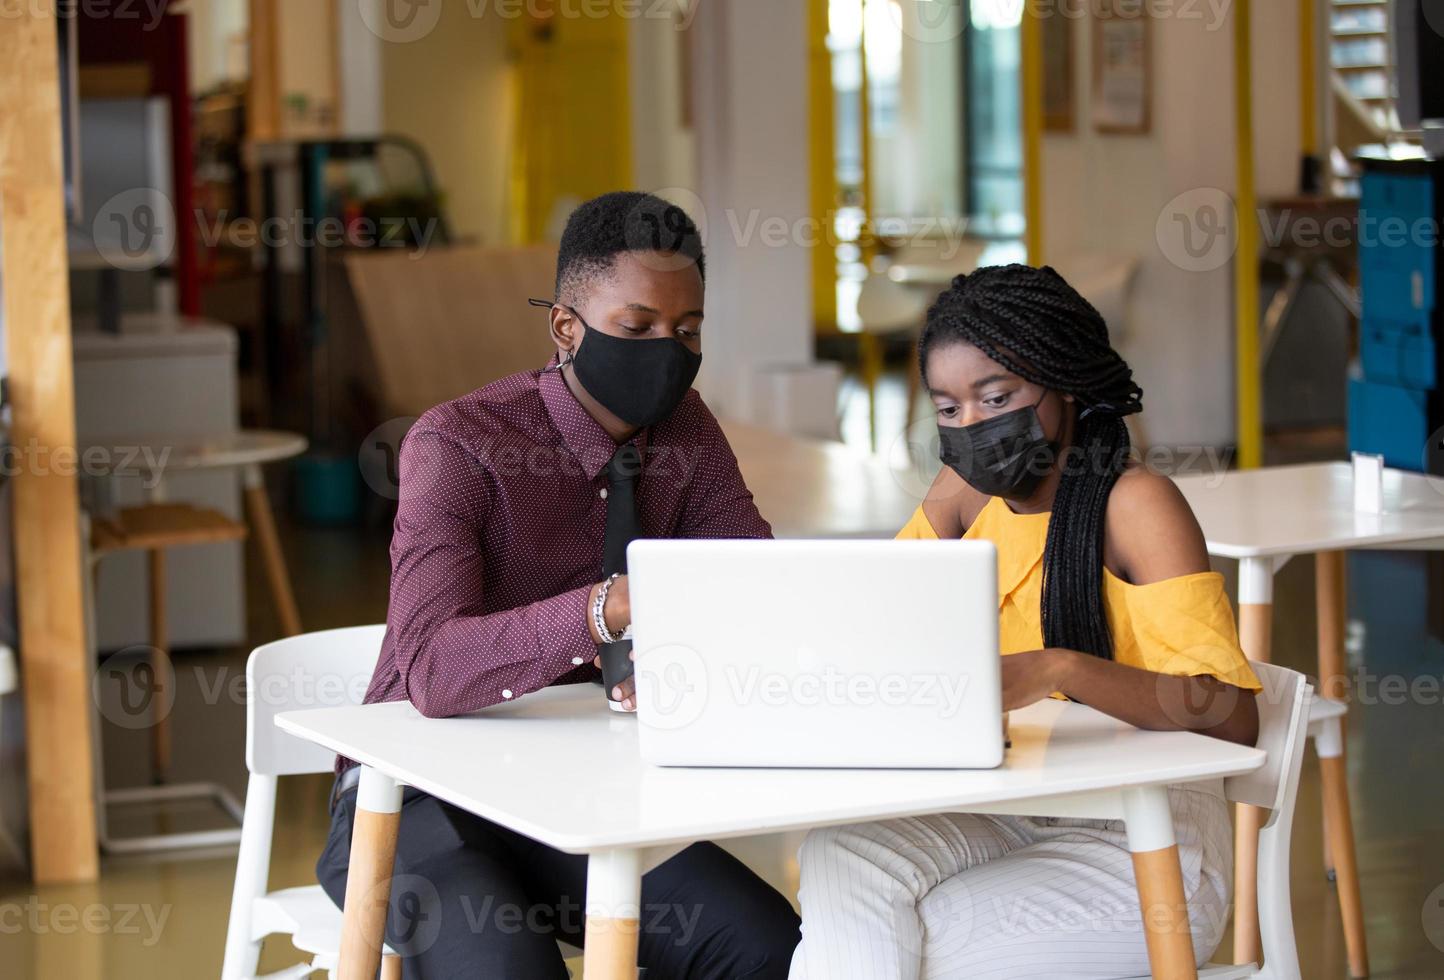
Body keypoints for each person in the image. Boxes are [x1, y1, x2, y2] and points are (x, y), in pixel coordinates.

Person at [318, 192, 801, 978]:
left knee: (762, 941)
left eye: (687, 331)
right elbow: (434, 672)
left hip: (579, 793)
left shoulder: (687, 432)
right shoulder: (457, 443)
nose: (667, 352)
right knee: (505, 960)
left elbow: (748, 586)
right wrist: (604, 611)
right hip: (416, 802)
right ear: (566, 327)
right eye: (636, 327)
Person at [789, 264, 1262, 979]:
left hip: (1150, 844)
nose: (972, 426)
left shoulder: (1136, 504)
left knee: (904, 935)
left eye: (997, 396)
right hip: (1022, 802)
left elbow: (1231, 715)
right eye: (948, 410)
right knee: (839, 854)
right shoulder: (964, 495)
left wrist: (1062, 669)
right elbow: (880, 620)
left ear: (1062, 380)